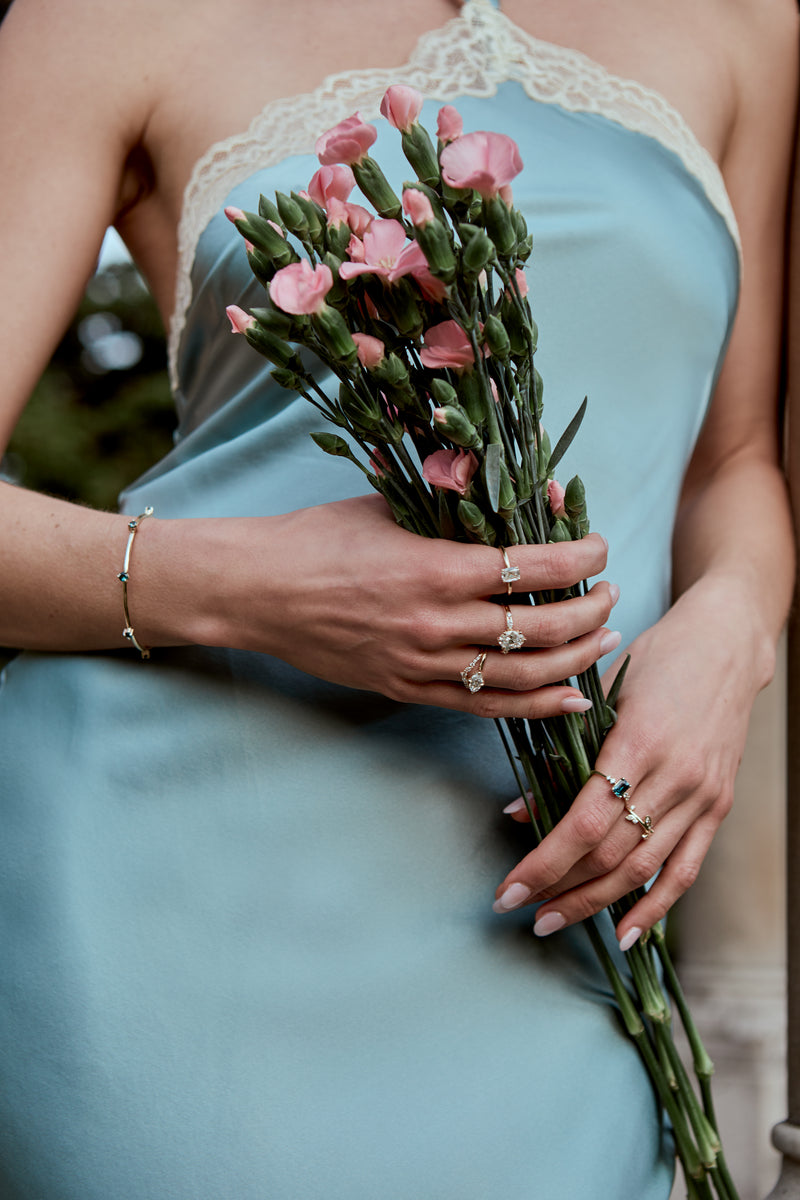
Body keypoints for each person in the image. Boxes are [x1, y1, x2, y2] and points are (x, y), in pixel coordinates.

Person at [0, 0, 796, 1196]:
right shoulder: (102, 20)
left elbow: (732, 463)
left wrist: (730, 634)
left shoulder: (746, 24)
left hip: (544, 909)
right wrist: (252, 589)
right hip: (176, 911)